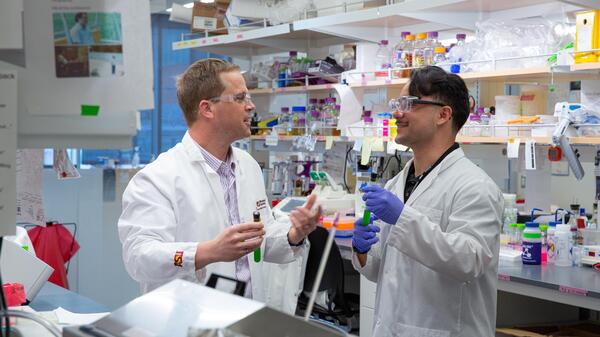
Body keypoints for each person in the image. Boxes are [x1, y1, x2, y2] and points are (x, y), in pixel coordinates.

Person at [118, 59, 321, 313]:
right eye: (239, 97)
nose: (251, 106)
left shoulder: (247, 166)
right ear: (207, 109)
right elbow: (140, 257)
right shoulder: (158, 178)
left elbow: (261, 239)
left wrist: (293, 235)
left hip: (247, 317)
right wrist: (205, 252)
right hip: (187, 321)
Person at [352, 66, 503, 337]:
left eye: (408, 104)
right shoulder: (396, 183)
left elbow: (469, 261)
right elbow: (386, 271)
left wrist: (402, 219)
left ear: (444, 114)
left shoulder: (474, 186)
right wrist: (363, 251)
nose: (397, 113)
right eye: (397, 104)